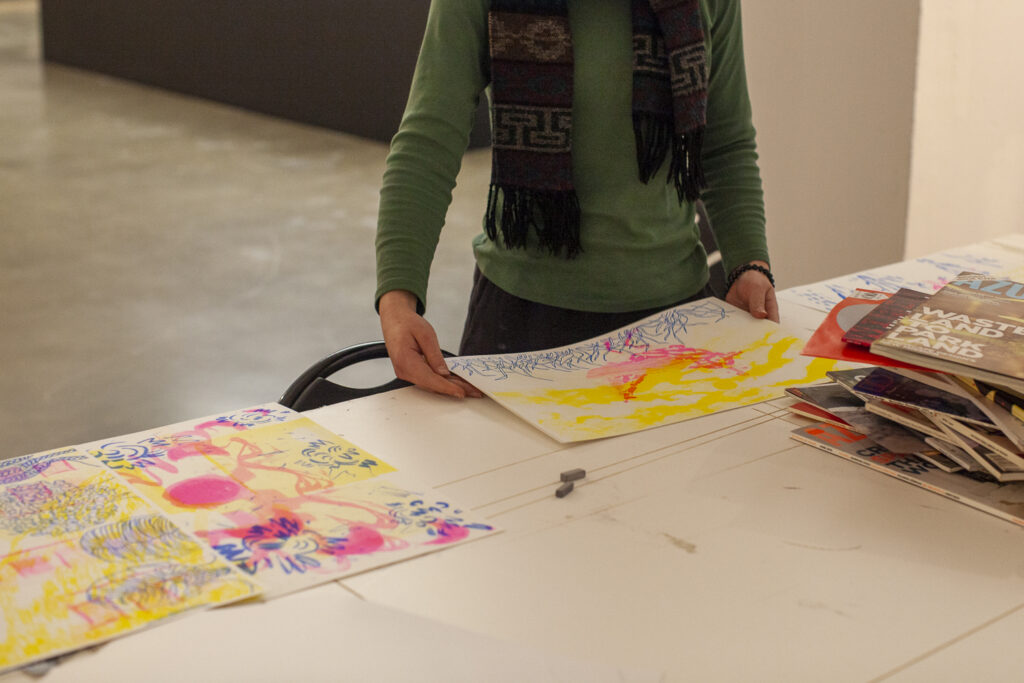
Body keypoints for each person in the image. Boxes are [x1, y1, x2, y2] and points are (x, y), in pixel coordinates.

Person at [375, 0, 777, 399]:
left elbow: (725, 143)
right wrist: (398, 300)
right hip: (523, 323)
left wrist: (749, 263)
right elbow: (429, 141)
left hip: (677, 320)